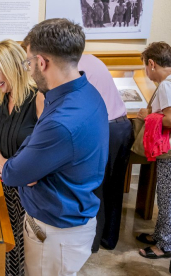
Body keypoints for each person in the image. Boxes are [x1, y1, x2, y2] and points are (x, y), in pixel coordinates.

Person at [1, 18, 109, 276]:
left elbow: (13, 173)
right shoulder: (84, 92)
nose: (28, 69)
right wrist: (31, 164)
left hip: (54, 231)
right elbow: (34, 145)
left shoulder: (62, 121)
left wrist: (28, 167)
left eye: (28, 62)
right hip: (71, 218)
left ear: (41, 62)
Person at [0, 39, 44, 276]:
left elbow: (43, 147)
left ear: (13, 67)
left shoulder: (38, 97)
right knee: (8, 248)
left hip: (28, 188)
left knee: (28, 250)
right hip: (4, 183)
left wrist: (16, 169)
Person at [78, 54, 133, 252]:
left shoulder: (75, 66)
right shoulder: (90, 58)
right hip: (123, 125)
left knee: (97, 187)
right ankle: (109, 239)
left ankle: (93, 242)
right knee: (115, 187)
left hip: (106, 128)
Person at [136, 41, 171, 259]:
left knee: (167, 198)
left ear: (151, 63)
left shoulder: (166, 85)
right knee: (164, 194)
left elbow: (169, 118)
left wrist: (146, 116)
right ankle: (160, 235)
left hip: (169, 150)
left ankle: (165, 245)